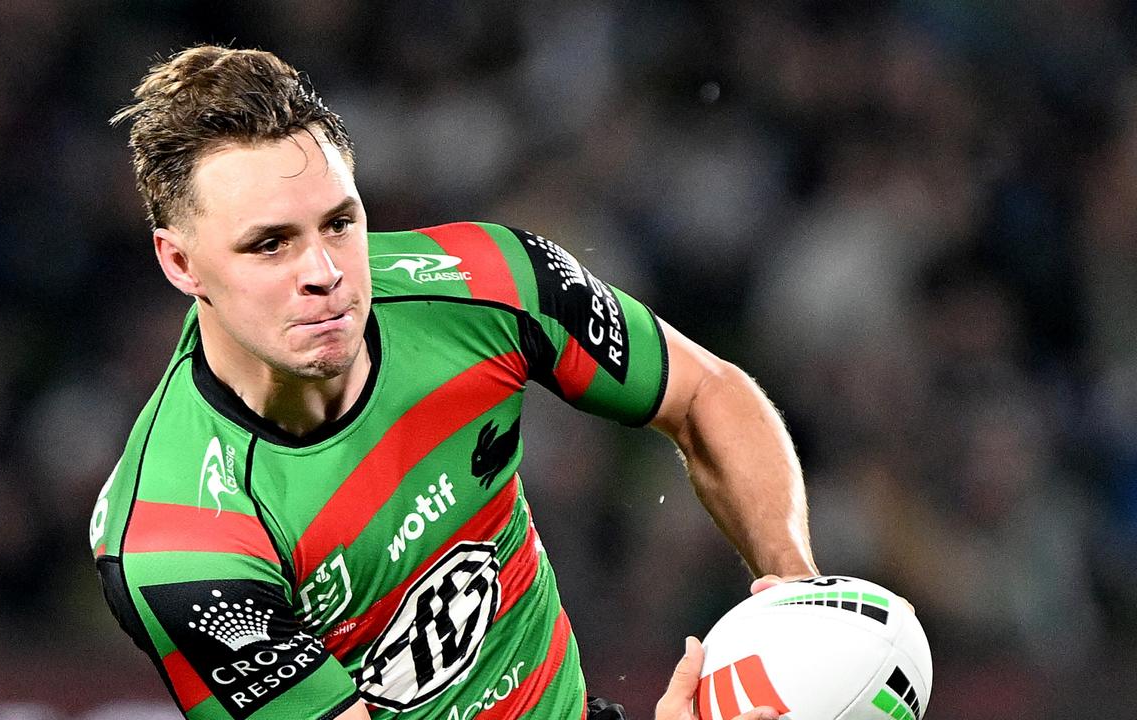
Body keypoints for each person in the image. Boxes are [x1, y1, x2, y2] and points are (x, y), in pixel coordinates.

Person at [90, 45, 818, 720]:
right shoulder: (177, 541)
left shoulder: (491, 281)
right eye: (270, 245)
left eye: (340, 224)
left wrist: (794, 595)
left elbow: (707, 395)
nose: (325, 273)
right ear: (180, 264)